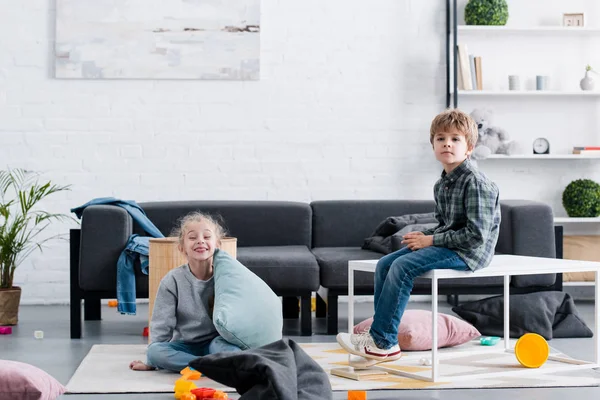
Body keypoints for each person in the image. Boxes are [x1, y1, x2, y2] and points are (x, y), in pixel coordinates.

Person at [337, 108, 501, 363]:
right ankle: (378, 334)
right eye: (441, 138)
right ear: (433, 145)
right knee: (385, 263)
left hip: (470, 252)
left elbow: (475, 236)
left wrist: (431, 240)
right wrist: (424, 234)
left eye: (455, 139)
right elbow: (445, 225)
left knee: (402, 267)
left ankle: (384, 343)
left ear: (469, 148)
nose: (447, 143)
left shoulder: (476, 183)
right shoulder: (442, 183)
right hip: (451, 244)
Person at [129, 212, 242, 372]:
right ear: (182, 248)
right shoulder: (172, 280)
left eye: (206, 237)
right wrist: (151, 361)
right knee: (155, 352)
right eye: (192, 237)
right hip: (185, 345)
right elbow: (161, 323)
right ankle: (212, 366)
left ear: (217, 245)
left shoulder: (226, 276)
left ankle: (202, 366)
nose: (200, 241)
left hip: (217, 342)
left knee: (235, 352)